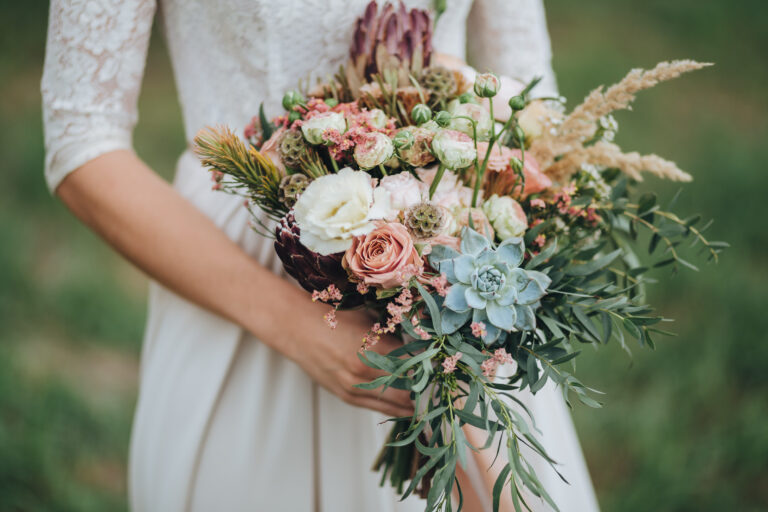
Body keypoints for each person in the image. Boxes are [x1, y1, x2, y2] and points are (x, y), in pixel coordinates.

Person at [42, 0, 599, 510]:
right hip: (245, 260)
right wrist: (297, 326)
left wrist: (459, 195)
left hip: (458, 253)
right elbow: (81, 140)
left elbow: (531, 90)